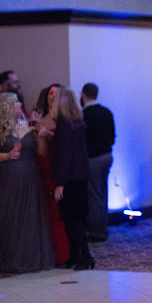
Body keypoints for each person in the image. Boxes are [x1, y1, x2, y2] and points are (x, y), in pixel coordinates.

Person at [0, 93, 55, 274]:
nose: (21, 105)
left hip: (30, 177)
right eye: (18, 102)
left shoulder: (28, 125)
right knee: (8, 215)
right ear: (9, 106)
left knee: (29, 215)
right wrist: (6, 156)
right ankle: (5, 258)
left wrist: (38, 132)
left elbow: (42, 153)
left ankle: (28, 257)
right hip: (4, 178)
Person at [51, 87, 94, 271]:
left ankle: (83, 256)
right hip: (80, 177)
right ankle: (78, 256)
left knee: (72, 220)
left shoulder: (64, 125)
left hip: (69, 178)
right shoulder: (77, 123)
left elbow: (65, 155)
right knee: (76, 219)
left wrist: (60, 182)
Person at [34, 83, 69, 266]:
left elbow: (67, 146)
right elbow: (39, 151)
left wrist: (48, 135)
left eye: (56, 93)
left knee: (59, 211)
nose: (52, 96)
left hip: (60, 166)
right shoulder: (40, 117)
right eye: (50, 93)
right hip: (43, 164)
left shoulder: (65, 118)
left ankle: (64, 253)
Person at [81, 83, 115, 242]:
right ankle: (103, 225)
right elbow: (113, 135)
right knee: (103, 191)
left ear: (83, 94)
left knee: (94, 195)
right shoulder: (106, 112)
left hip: (92, 158)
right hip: (107, 155)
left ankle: (96, 231)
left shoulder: (84, 115)